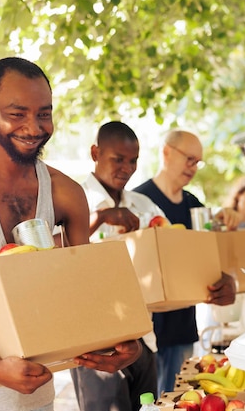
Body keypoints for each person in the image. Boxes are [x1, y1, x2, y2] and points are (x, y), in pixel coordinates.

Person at [0, 57, 142, 411]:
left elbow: (81, 284)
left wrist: (119, 340)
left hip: (36, 376)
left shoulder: (65, 192)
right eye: (17, 113)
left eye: (44, 113)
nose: (33, 126)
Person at [132, 128, 240, 394]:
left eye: (198, 162)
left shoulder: (195, 206)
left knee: (180, 399)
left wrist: (226, 222)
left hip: (184, 329)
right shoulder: (139, 202)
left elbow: (211, 258)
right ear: (167, 152)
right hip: (146, 333)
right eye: (189, 159)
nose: (193, 167)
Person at [70, 121, 163, 411]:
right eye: (118, 159)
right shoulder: (72, 199)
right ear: (95, 152)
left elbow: (171, 249)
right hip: (94, 338)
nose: (127, 167)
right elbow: (53, 256)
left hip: (142, 334)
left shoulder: (145, 205)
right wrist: (101, 217)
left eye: (133, 160)